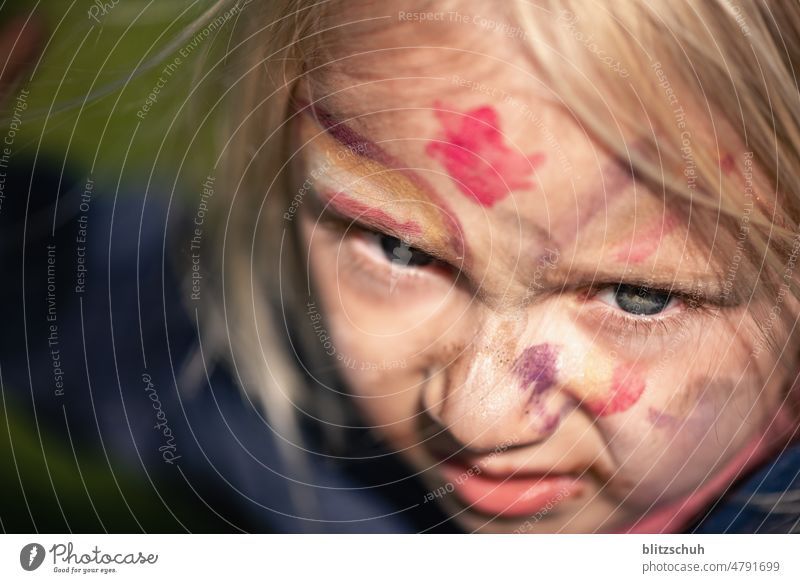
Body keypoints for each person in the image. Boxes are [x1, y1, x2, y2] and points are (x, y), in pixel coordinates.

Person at [3, 0, 800, 533]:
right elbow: (77, 301)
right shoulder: (286, 388)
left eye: (639, 295)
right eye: (399, 249)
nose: (474, 418)